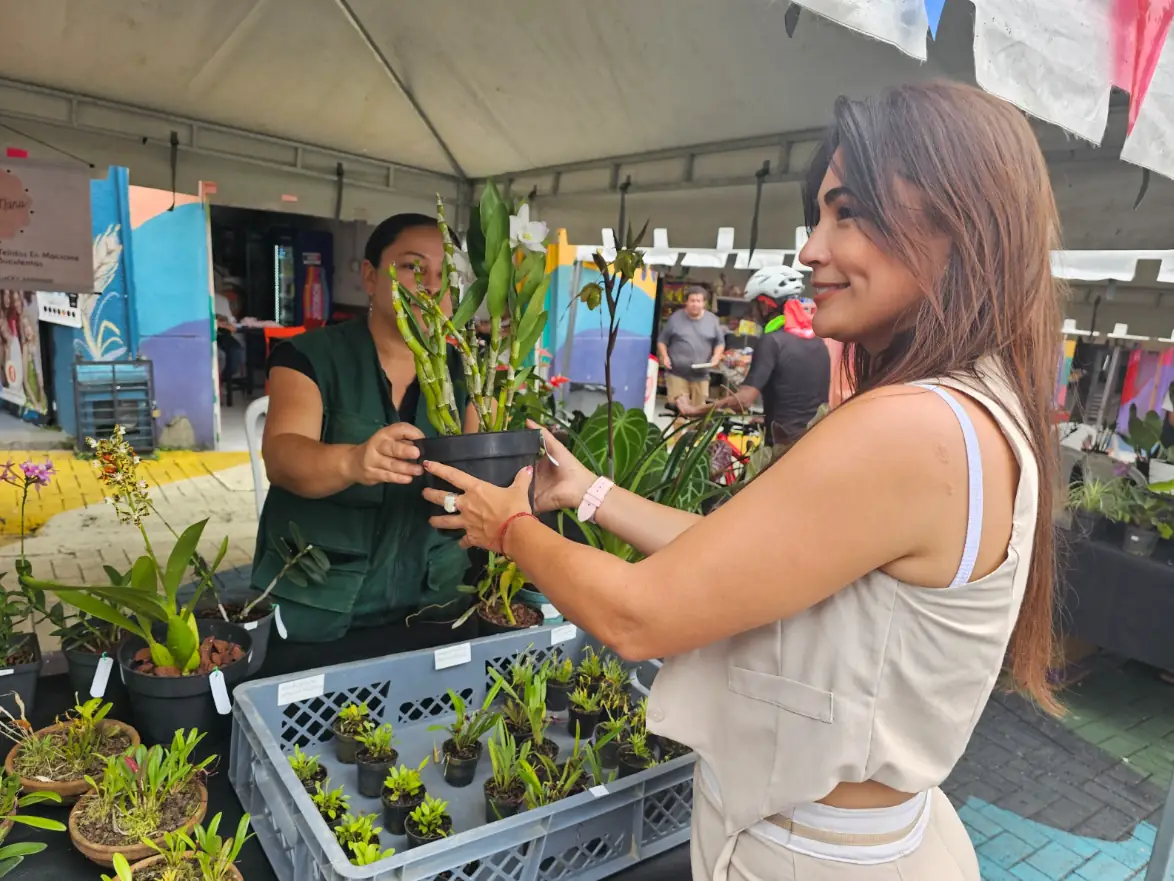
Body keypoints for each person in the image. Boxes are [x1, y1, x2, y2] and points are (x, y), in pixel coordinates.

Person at [419, 81, 1062, 881]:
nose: (809, 250)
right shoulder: (981, 409)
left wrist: (507, 526)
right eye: (818, 214)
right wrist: (584, 493)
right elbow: (738, 560)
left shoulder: (914, 427)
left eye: (847, 212)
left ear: (959, 218)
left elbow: (638, 616)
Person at [252, 213, 479, 643]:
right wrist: (352, 460)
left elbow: (481, 475)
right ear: (371, 277)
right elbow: (281, 456)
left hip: (434, 602)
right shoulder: (308, 356)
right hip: (319, 602)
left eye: (446, 273)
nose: (433, 285)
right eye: (413, 267)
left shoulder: (469, 379)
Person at [677, 265, 830, 445]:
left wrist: (694, 410)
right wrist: (765, 419)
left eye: (754, 305)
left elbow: (743, 401)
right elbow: (799, 394)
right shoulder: (817, 340)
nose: (753, 313)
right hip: (815, 439)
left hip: (783, 446)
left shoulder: (772, 340)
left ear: (765, 304)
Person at [658, 287, 725, 409]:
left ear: (704, 303)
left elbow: (720, 342)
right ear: (686, 302)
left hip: (701, 375)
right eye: (692, 300)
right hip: (677, 373)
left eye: (698, 301)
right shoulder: (675, 318)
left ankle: (693, 428)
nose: (695, 304)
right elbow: (662, 340)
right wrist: (665, 356)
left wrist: (716, 356)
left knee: (698, 411)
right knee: (679, 411)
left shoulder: (712, 320)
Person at [214, 283, 245, 383]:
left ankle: (224, 380)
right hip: (208, 334)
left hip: (223, 334)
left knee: (236, 350)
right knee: (221, 355)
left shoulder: (221, 300)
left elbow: (230, 321)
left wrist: (227, 324)